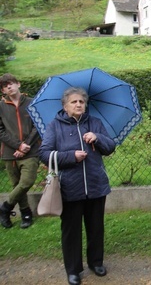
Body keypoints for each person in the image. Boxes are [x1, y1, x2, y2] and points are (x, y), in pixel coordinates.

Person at [39, 87, 116, 285]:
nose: (78, 104)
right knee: (71, 230)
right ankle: (73, 270)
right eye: (74, 102)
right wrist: (70, 157)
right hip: (69, 188)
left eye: (81, 101)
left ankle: (96, 262)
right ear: (65, 106)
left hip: (96, 185)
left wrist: (97, 138)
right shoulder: (54, 126)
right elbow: (44, 153)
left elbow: (110, 147)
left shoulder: (94, 123)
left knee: (96, 227)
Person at [0, 73, 40, 229]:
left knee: (26, 182)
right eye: (4, 86)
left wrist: (26, 145)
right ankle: (26, 213)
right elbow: (0, 131)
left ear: (18, 84)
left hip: (31, 151)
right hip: (9, 153)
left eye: (11, 83)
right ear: (3, 91)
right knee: (16, 184)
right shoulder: (1, 106)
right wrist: (18, 146)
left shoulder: (32, 103)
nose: (8, 87)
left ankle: (5, 208)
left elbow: (38, 125)